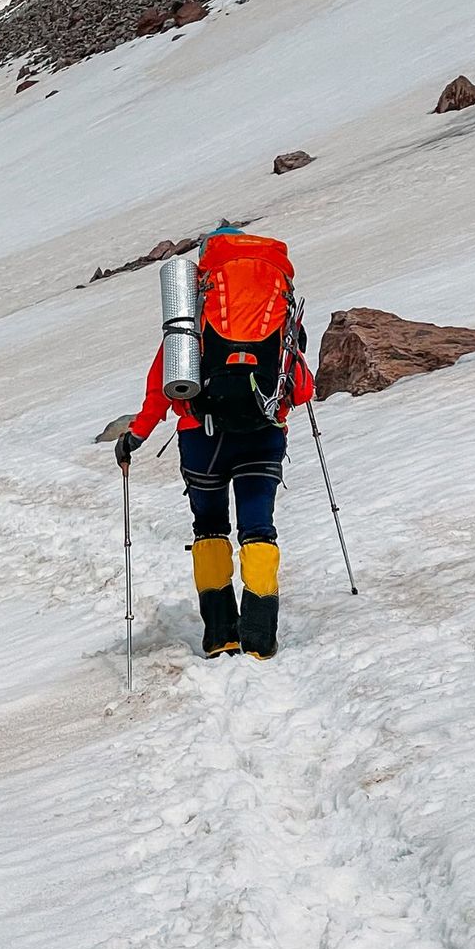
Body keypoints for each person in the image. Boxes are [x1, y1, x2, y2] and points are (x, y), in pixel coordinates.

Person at [113, 230, 314, 659]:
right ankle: (260, 639)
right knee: (258, 528)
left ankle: (220, 634)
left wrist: (136, 435)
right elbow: (301, 389)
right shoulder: (277, 301)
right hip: (262, 436)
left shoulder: (194, 309)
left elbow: (162, 385)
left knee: (210, 528)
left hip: (203, 440)